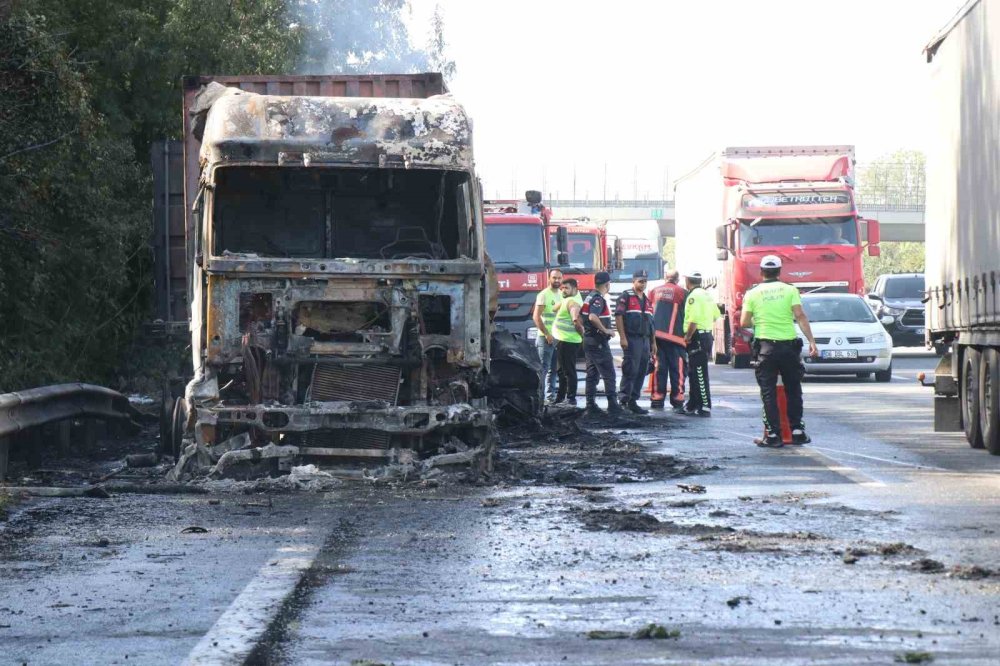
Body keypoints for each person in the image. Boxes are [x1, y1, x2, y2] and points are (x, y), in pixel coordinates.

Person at [740, 255, 819, 447]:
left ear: (761, 272)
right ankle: (797, 431)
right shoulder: (790, 290)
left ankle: (773, 435)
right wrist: (812, 341)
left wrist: (759, 320)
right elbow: (800, 316)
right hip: (788, 347)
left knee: (768, 392)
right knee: (794, 388)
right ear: (780, 271)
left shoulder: (752, 293)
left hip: (766, 347)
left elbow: (744, 322)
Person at [581, 271, 624, 416]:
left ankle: (590, 405)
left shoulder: (589, 296)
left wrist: (586, 332)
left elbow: (581, 317)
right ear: (607, 284)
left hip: (589, 341)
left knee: (592, 374)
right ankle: (613, 405)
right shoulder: (598, 299)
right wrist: (605, 329)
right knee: (609, 373)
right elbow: (593, 317)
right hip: (598, 342)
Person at [615, 269, 655, 414]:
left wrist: (653, 343)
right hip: (632, 339)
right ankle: (624, 400)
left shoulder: (647, 300)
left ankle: (633, 400)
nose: (643, 284)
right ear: (633, 281)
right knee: (630, 369)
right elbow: (618, 316)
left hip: (645, 340)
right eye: (640, 281)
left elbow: (651, 324)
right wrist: (623, 337)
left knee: (642, 370)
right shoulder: (626, 296)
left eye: (645, 281)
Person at [647, 269, 687, 412]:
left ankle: (657, 398)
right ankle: (677, 398)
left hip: (656, 337)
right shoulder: (682, 292)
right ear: (677, 279)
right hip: (676, 338)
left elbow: (648, 312)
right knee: (678, 368)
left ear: (665, 278)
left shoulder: (653, 291)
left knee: (658, 368)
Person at [682, 270, 721, 417]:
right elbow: (716, 315)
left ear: (688, 281)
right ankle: (693, 403)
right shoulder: (706, 294)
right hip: (706, 335)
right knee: (693, 372)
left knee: (699, 372)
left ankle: (705, 405)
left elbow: (694, 319)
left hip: (696, 337)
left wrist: (688, 336)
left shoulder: (693, 296)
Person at [552, 278, 584, 405]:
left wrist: (582, 335)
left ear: (575, 289)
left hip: (569, 341)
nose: (563, 290)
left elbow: (575, 320)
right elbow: (555, 308)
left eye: (567, 288)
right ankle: (560, 398)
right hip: (563, 340)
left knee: (568, 371)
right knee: (561, 371)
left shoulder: (573, 302)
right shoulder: (567, 299)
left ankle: (571, 399)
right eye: (562, 288)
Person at [532, 269, 563, 403]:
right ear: (549, 279)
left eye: (559, 278)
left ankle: (551, 398)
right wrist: (547, 334)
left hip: (558, 339)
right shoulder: (543, 295)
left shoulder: (562, 295)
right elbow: (536, 317)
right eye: (554, 278)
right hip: (546, 339)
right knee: (542, 370)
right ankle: (539, 398)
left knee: (554, 370)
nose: (557, 280)